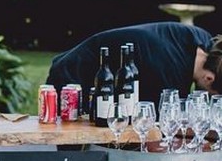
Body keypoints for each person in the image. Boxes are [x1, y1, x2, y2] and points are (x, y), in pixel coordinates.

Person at [45, 22, 222, 109]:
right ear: (209, 78)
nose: (208, 97)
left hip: (98, 74)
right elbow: (153, 126)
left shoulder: (201, 40)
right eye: (213, 94)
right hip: (72, 81)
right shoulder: (168, 75)